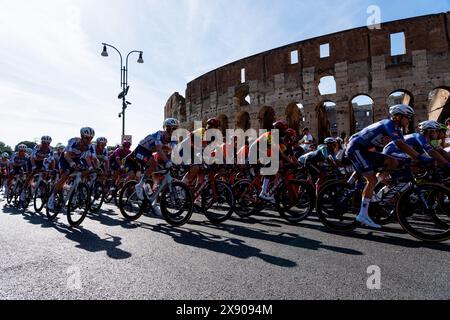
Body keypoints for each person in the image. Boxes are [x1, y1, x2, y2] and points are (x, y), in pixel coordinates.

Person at [346, 104, 430, 229]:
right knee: (372, 179)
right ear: (398, 116)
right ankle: (362, 215)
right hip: (356, 148)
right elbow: (400, 144)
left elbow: (404, 149)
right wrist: (420, 157)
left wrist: (414, 162)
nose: (409, 120)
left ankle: (381, 187)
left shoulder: (397, 130)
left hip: (366, 151)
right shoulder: (388, 124)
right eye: (408, 117)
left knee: (394, 162)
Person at [124, 118, 179, 201]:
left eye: (176, 128)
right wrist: (167, 161)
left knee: (159, 169)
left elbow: (174, 149)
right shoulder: (159, 134)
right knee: (154, 164)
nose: (175, 130)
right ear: (167, 128)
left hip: (149, 153)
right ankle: (139, 185)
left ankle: (152, 198)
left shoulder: (173, 138)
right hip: (140, 150)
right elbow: (158, 149)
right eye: (173, 128)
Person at [47, 127, 96, 210]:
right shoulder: (73, 141)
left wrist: (91, 167)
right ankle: (52, 197)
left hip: (77, 159)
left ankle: (75, 192)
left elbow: (88, 157)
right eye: (87, 137)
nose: (89, 140)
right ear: (81, 136)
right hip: (66, 159)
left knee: (86, 171)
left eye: (91, 138)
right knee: (65, 175)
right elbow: (66, 154)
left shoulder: (90, 145)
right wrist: (71, 163)